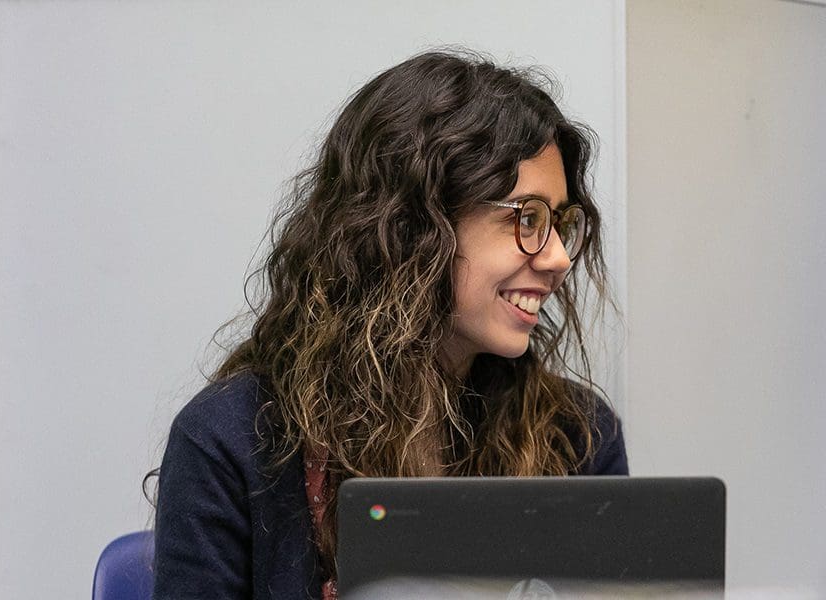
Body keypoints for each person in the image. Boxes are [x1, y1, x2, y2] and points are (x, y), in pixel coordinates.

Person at [148, 49, 628, 600]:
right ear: (413, 228)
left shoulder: (578, 436)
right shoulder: (232, 441)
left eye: (559, 223)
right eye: (526, 218)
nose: (559, 258)